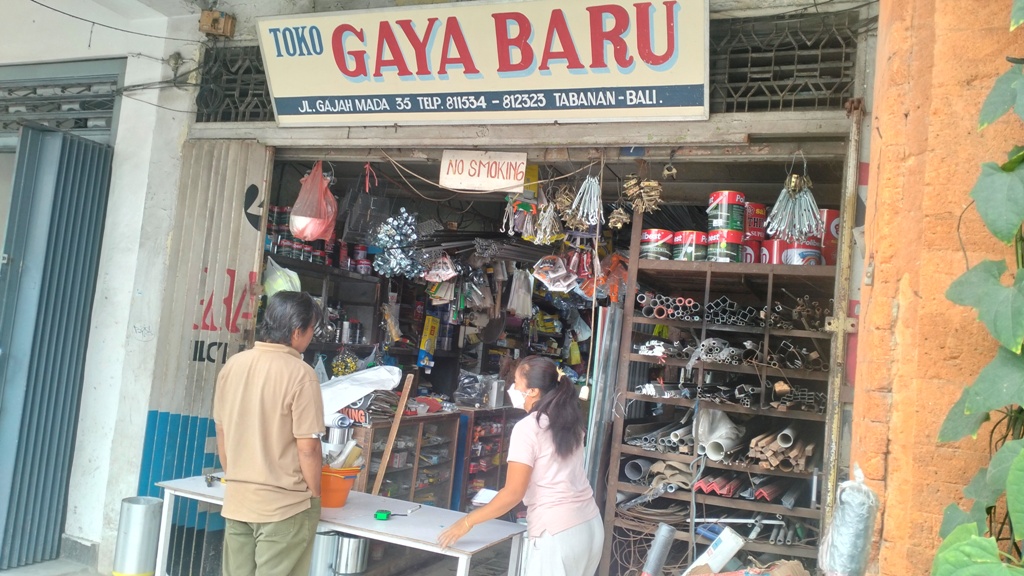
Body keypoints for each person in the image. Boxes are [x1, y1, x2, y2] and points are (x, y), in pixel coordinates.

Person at [438, 355, 603, 576]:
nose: (513, 388)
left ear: (533, 391)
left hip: (556, 531)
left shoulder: (528, 428)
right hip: (589, 526)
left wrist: (467, 522)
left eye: (516, 382)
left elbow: (513, 493)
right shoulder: (570, 422)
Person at [213, 291, 325, 576]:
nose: (311, 336)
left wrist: (239, 478)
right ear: (298, 331)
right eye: (312, 329)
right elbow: (308, 448)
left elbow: (222, 432)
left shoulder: (233, 366)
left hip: (237, 502)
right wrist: (313, 495)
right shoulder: (301, 374)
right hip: (283, 508)